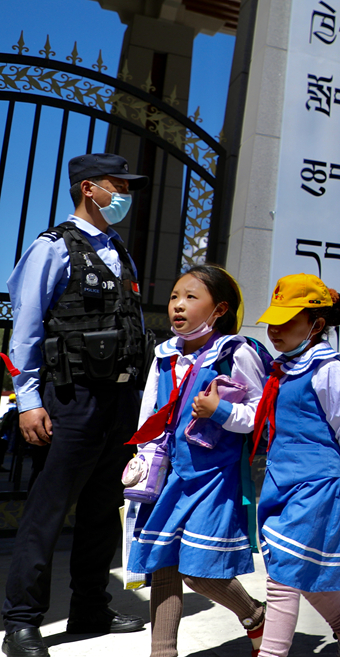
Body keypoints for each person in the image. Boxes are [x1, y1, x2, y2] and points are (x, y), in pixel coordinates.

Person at [3, 153, 148, 657]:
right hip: (71, 397)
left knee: (103, 509)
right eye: (118, 185)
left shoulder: (120, 251)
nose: (126, 193)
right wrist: (28, 402)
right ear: (89, 188)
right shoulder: (53, 247)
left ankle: (90, 605)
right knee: (47, 511)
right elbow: (24, 331)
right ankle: (21, 624)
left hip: (119, 400)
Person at [127, 265, 267, 657]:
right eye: (174, 296)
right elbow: (149, 413)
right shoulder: (165, 356)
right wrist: (145, 461)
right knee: (163, 563)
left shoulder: (236, 352)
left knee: (199, 571)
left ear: (219, 308)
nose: (178, 305)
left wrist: (220, 411)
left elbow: (261, 414)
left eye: (191, 297)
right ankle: (163, 652)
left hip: (215, 478)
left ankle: (255, 616)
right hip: (168, 476)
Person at [252, 274, 340, 657]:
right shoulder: (282, 370)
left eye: (287, 320)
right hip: (282, 483)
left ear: (316, 325)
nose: (275, 330)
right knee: (300, 569)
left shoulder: (331, 372)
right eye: (273, 321)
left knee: (283, 577)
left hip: (314, 485)